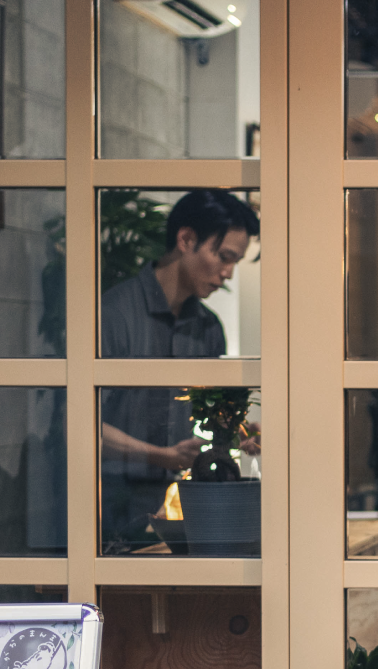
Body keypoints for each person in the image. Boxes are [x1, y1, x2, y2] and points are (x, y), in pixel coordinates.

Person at [99, 190, 261, 548]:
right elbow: (81, 426)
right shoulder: (113, 314)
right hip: (110, 515)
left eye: (235, 262)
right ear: (186, 239)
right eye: (224, 257)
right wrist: (162, 457)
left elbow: (205, 418)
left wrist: (236, 433)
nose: (228, 273)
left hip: (185, 513)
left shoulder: (208, 328)